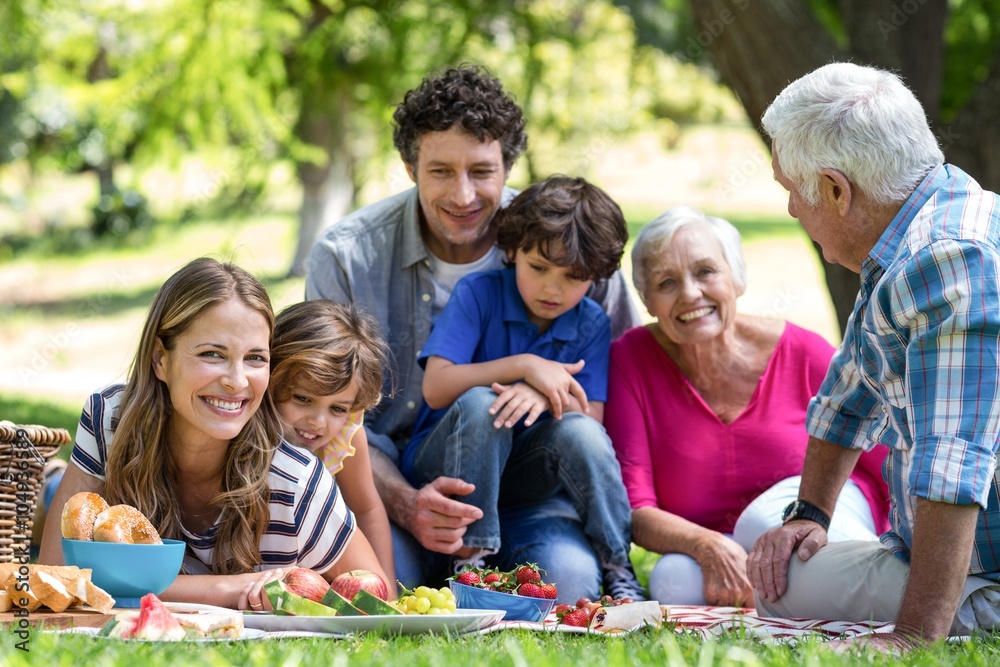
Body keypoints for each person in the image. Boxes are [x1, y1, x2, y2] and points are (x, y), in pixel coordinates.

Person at [305, 65, 641, 600]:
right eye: (440, 170)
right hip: (401, 485)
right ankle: (463, 569)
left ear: (509, 166)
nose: (463, 195)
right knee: (390, 585)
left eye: (482, 171)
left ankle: (559, 565)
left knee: (571, 587)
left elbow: (615, 402)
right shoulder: (347, 257)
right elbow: (326, 414)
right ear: (409, 166)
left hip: (533, 490)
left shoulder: (567, 244)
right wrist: (401, 502)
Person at [746, 62, 1000, 652]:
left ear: (836, 190)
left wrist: (911, 638)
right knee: (772, 541)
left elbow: (952, 463)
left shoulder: (948, 259)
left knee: (776, 587)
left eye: (792, 190)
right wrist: (809, 511)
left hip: (983, 573)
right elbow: (848, 394)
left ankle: (976, 614)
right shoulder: (917, 225)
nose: (790, 210)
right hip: (949, 555)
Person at [39, 258, 388, 610]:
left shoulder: (296, 483)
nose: (236, 381)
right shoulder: (111, 418)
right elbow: (55, 574)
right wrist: (231, 589)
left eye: (255, 358)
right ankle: (47, 482)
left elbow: (377, 604)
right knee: (62, 502)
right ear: (160, 358)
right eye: (212, 354)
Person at [605, 206, 890, 608]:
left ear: (736, 278)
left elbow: (885, 460)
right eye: (666, 282)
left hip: (817, 513)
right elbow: (637, 510)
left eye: (705, 272)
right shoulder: (630, 361)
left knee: (763, 522)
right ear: (647, 300)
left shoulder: (803, 352)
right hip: (723, 539)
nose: (689, 294)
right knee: (675, 579)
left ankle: (902, 591)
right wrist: (706, 545)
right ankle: (809, 603)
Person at [402, 175, 645, 600]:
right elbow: (437, 388)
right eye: (538, 268)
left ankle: (616, 564)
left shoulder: (590, 322)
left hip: (527, 483)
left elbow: (591, 418)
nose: (553, 288)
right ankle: (468, 558)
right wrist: (526, 367)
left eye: (574, 277)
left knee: (580, 431)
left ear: (596, 277)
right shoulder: (478, 293)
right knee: (483, 403)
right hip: (448, 465)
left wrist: (539, 392)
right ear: (513, 252)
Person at [270, 299, 396, 586]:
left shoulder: (344, 433)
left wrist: (387, 588)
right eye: (303, 398)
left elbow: (367, 508)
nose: (318, 422)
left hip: (332, 546)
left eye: (337, 408)